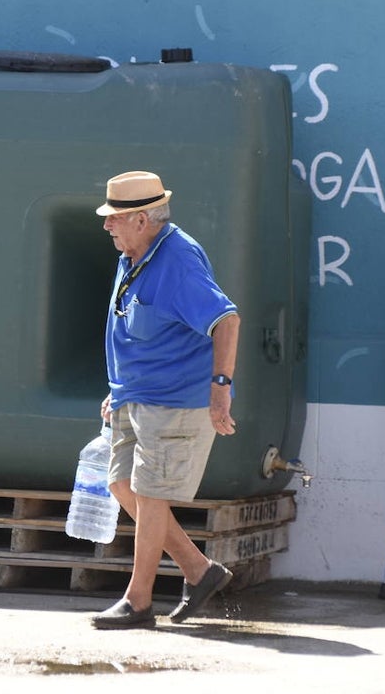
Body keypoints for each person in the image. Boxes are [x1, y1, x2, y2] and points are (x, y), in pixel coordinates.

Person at [90, 170, 241, 629]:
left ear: (141, 218)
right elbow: (132, 329)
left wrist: (220, 387)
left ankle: (138, 602)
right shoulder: (133, 252)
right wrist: (117, 389)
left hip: (175, 401)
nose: (107, 226)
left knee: (151, 495)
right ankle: (199, 571)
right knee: (122, 486)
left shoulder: (178, 259)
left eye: (114, 218)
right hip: (134, 397)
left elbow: (227, 320)